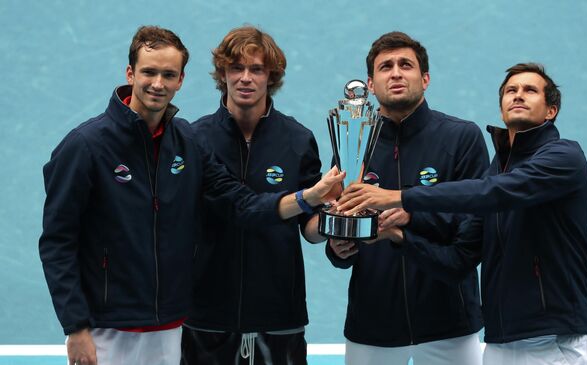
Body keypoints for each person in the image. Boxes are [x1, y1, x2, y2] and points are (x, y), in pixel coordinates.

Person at [39, 25, 343, 365]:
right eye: (149, 72)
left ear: (181, 80)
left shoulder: (186, 142)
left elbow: (240, 205)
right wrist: (76, 327)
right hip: (112, 328)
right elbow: (57, 241)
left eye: (168, 74)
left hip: (171, 326)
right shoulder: (86, 145)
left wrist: (311, 197)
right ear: (130, 73)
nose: (158, 83)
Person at [338, 63, 587, 365]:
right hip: (501, 342)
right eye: (511, 91)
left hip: (555, 340)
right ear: (502, 108)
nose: (518, 96)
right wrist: (397, 236)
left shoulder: (564, 157)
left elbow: (492, 193)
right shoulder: (497, 169)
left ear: (551, 110)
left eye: (530, 90)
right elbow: (457, 262)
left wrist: (399, 198)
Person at [326, 31, 488, 365]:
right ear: (370, 85)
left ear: (425, 79)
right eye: (386, 67)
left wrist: (410, 214)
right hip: (372, 328)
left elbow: (473, 226)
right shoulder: (351, 142)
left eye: (406, 65)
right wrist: (338, 246)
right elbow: (341, 230)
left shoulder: (461, 137)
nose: (396, 73)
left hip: (451, 327)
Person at [180, 26, 326, 365]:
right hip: (205, 314)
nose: (245, 78)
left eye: (256, 69)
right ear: (223, 74)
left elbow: (309, 226)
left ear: (270, 76)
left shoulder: (298, 140)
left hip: (279, 316)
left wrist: (337, 228)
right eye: (236, 68)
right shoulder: (193, 139)